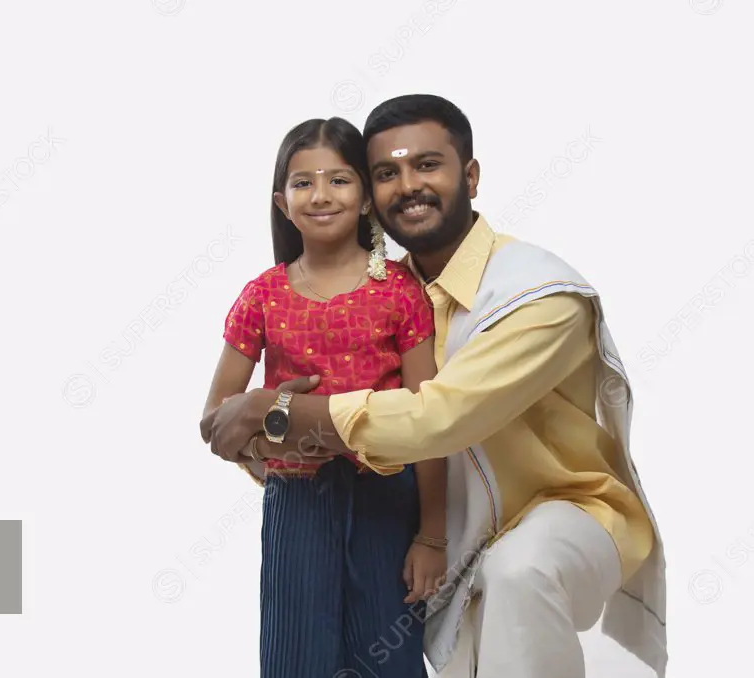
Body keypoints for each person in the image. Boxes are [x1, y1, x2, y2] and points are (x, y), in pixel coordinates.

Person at [201, 94, 667, 678]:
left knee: (516, 573)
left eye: (427, 165)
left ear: (470, 176)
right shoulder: (386, 283)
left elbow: (434, 418)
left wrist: (278, 412)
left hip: (554, 510)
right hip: (401, 510)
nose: (408, 185)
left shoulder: (539, 295)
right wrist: (264, 448)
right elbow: (227, 418)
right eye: (387, 172)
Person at [200, 116, 446, 678]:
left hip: (389, 495)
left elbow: (432, 421)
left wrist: (432, 537)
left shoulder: (401, 293)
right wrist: (266, 452)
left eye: (339, 180)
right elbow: (215, 420)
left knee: (386, 654)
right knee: (296, 654)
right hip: (297, 502)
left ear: (364, 199)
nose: (320, 195)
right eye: (303, 182)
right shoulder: (262, 296)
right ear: (283, 203)